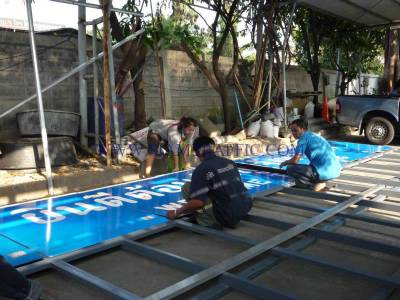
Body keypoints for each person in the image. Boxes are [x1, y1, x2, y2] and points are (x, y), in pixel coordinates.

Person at [167, 136, 253, 228]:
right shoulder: (229, 162)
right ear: (214, 148)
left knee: (187, 187)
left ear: (197, 152)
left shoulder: (201, 169)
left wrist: (177, 212)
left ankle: (206, 220)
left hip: (226, 216)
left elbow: (198, 202)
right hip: (245, 207)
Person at [279, 118, 342, 191]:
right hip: (336, 170)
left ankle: (312, 186)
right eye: (292, 131)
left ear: (303, 129)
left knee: (290, 168)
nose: (293, 133)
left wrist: (285, 162)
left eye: (296, 130)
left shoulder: (303, 140)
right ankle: (319, 182)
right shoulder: (314, 135)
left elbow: (295, 161)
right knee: (308, 167)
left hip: (325, 172)